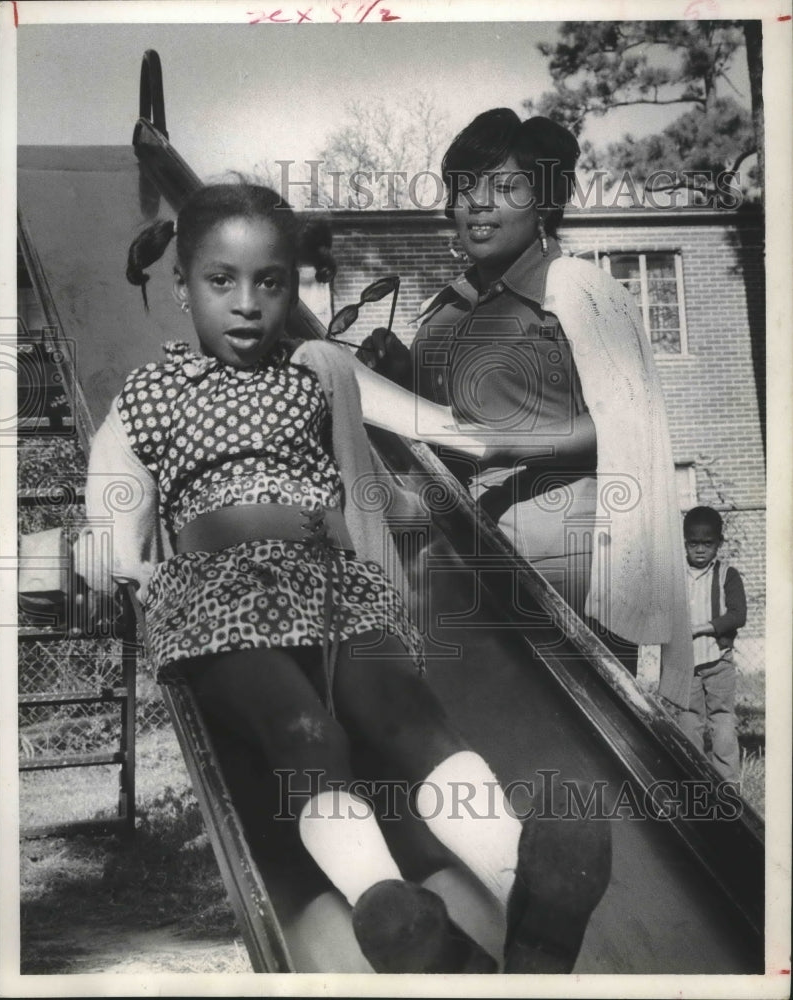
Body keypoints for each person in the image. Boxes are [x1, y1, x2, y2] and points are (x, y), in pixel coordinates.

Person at [77, 181, 610, 974]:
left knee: (408, 718)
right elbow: (114, 500)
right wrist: (112, 562)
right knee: (307, 735)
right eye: (221, 281)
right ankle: (395, 915)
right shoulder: (151, 394)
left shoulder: (317, 373)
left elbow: (440, 431)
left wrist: (575, 432)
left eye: (271, 281)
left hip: (332, 587)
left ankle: (526, 897)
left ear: (293, 289)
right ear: (182, 288)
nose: (248, 303)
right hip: (218, 601)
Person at [359, 108, 693, 705]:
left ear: (542, 201)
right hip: (455, 553)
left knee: (576, 732)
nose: (478, 204)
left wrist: (515, 445)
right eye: (465, 188)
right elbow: (436, 416)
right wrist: (399, 371)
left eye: (504, 186)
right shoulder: (444, 310)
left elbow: (628, 425)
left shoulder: (580, 290)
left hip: (559, 555)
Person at [677, 507, 746, 783]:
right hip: (685, 665)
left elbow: (737, 615)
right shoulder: (675, 575)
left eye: (708, 544)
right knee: (688, 722)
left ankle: (727, 788)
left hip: (718, 662)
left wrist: (700, 628)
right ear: (685, 543)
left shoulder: (727, 575)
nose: (701, 550)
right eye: (694, 544)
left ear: (719, 542)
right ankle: (693, 783)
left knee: (722, 720)